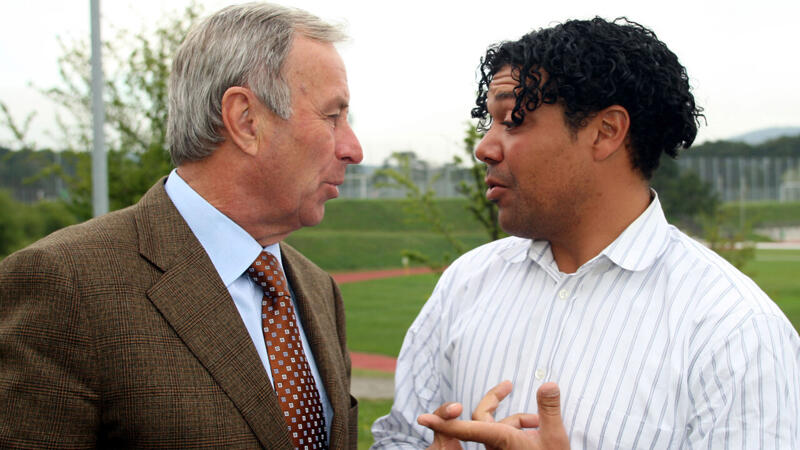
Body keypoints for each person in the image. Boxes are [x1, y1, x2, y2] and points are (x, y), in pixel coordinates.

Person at [372, 17, 800, 449]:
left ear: (606, 132)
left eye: (512, 120)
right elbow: (400, 438)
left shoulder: (735, 332)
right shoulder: (466, 284)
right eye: (489, 123)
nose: (484, 148)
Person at [0, 2, 362, 448]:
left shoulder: (318, 290)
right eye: (332, 116)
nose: (353, 148)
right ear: (246, 120)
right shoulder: (66, 284)